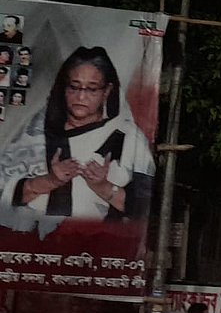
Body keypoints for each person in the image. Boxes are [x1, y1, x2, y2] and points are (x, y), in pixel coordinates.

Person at [3, 46, 155, 220]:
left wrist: (103, 186)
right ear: (63, 88)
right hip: (27, 234)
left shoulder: (128, 138)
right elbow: (4, 193)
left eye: (92, 89)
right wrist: (50, 181)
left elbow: (145, 208)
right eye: (74, 87)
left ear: (107, 91)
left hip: (97, 236)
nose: (81, 97)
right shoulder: (33, 133)